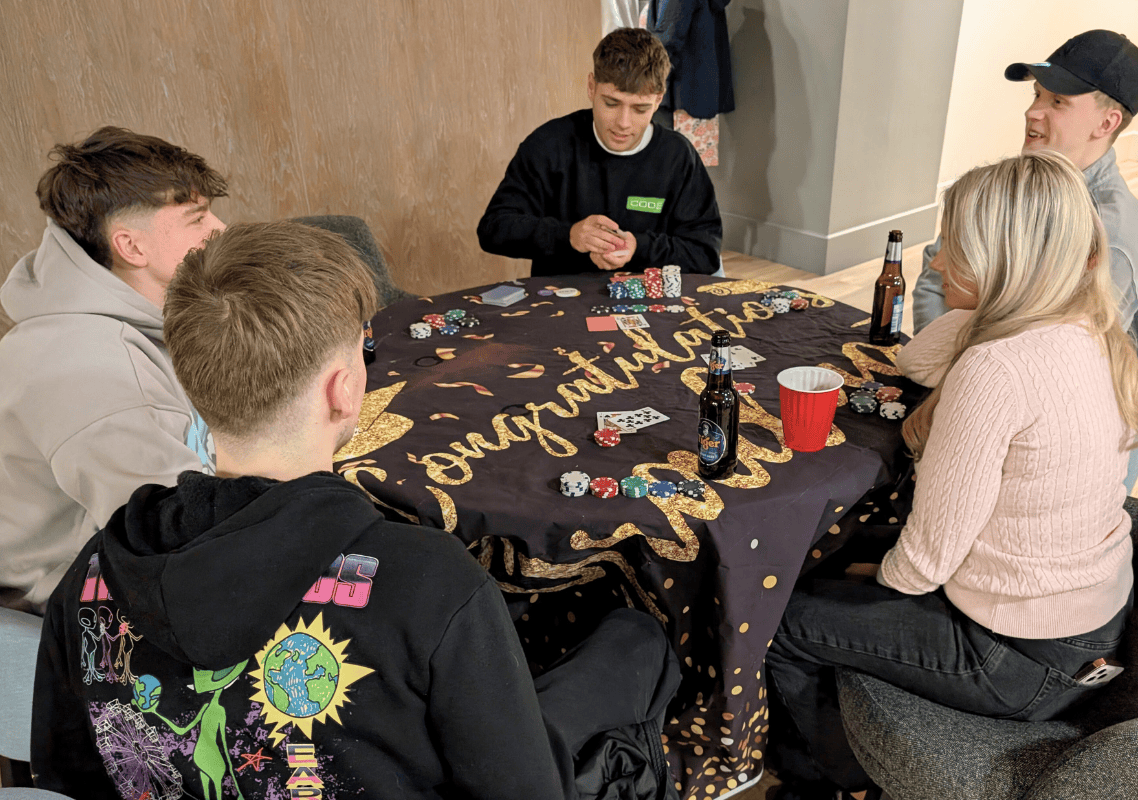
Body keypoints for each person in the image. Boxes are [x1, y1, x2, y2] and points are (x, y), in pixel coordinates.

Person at [31, 221, 679, 799]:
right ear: (345, 391)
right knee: (642, 640)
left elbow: (66, 778)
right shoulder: (431, 582)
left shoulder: (90, 574)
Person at [765, 152, 1138, 798]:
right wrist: (979, 314)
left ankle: (821, 780)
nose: (938, 264)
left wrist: (870, 576)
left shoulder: (996, 369)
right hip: (1091, 621)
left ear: (1004, 262)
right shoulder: (1089, 327)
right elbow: (917, 359)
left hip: (1018, 656)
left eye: (956, 251)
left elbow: (924, 563)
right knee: (832, 556)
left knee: (782, 618)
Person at [0, 127, 227, 612]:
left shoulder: (145, 319)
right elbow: (185, 544)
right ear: (131, 246)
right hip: (63, 617)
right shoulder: (96, 372)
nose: (220, 229)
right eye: (198, 218)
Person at [912, 29, 1138, 333]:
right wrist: (935, 359)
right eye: (1037, 94)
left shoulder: (1111, 236)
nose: (1032, 111)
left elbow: (1073, 355)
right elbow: (934, 283)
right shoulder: (1006, 185)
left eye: (1058, 102)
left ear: (1107, 123)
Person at [477, 26, 722, 277]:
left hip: (647, 306)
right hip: (560, 303)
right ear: (592, 87)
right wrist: (568, 235)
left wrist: (639, 247)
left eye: (640, 109)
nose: (623, 123)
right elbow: (493, 228)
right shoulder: (548, 144)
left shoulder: (678, 157)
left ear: (658, 99)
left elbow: (705, 253)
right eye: (611, 103)